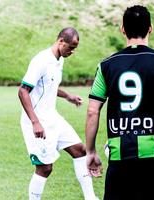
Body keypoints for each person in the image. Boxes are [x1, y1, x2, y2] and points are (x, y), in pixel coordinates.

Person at [85, 5, 154, 200]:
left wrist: (90, 151)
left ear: (122, 29)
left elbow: (93, 111)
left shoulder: (106, 65)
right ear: (150, 28)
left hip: (119, 154)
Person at [18, 27, 98, 200]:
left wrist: (67, 96)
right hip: (38, 121)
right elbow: (23, 91)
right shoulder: (41, 61)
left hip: (52, 117)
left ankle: (91, 198)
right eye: (71, 47)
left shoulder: (59, 59)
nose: (72, 51)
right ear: (61, 41)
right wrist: (35, 122)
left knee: (80, 150)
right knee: (45, 168)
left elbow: (49, 85)